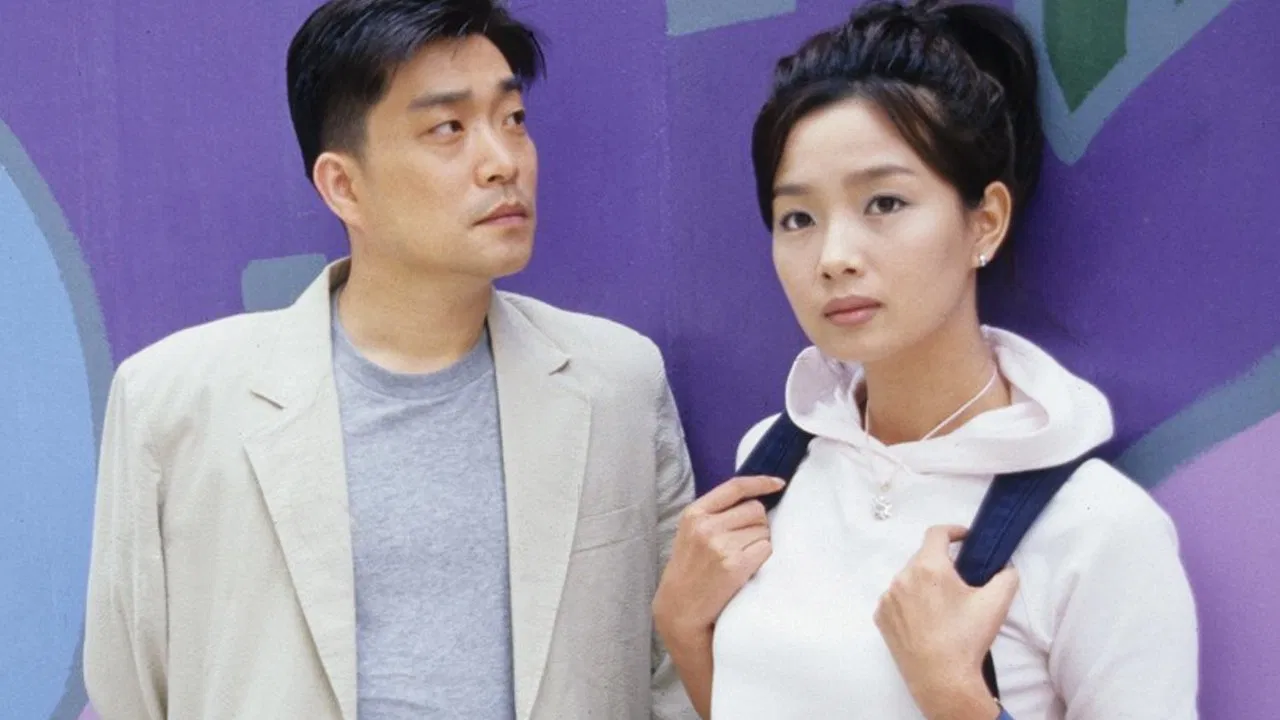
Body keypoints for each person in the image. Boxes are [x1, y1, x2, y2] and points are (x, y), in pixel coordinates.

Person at [82, 1, 697, 718]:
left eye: (513, 119)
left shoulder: (618, 381)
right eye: (448, 129)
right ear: (343, 186)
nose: (503, 162)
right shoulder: (173, 403)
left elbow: (676, 671)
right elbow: (128, 690)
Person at [652, 1, 1199, 718]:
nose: (834, 257)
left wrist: (954, 696)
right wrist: (685, 631)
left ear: (985, 222)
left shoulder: (1097, 530)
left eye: (884, 203)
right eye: (798, 218)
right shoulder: (773, 466)